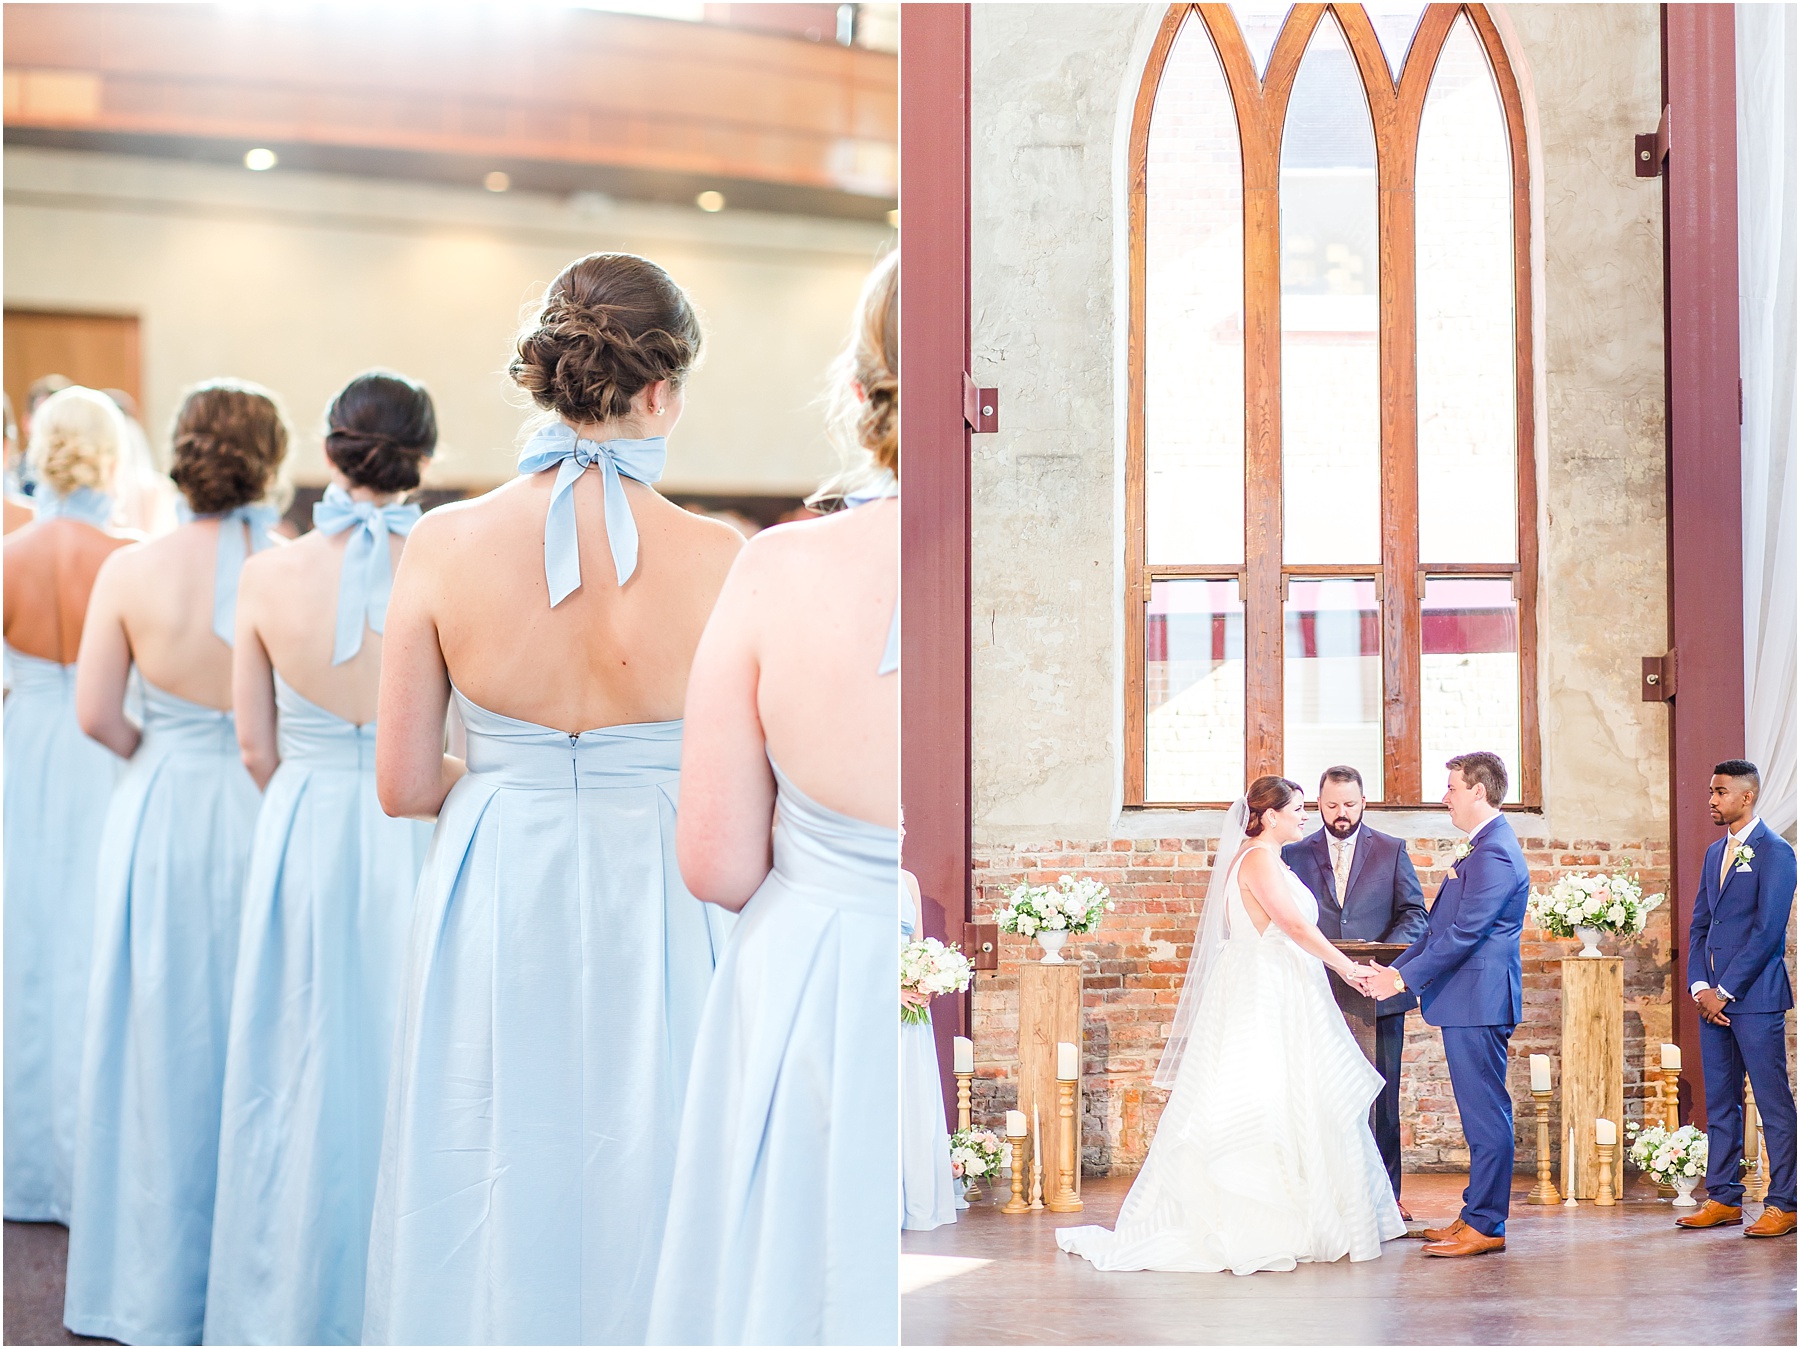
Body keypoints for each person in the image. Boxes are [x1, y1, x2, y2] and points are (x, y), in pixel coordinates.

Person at [363, 253, 742, 1345]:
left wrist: (504, 787)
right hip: (664, 887)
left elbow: (399, 784)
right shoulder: (721, 557)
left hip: (499, 876)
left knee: (489, 1135)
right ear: (663, 390)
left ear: (542, 374)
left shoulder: (438, 545)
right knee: (654, 1139)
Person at [647, 251, 900, 1344]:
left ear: (860, 387)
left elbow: (716, 863)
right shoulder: (1060, 573)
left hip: (815, 979)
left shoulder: (771, 571)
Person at [204, 372, 440, 1345]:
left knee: (301, 1061)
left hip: (303, 824)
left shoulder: (266, 570)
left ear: (331, 452)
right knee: (410, 1054)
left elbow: (253, 745)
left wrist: (310, 798)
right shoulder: (444, 558)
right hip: (415, 823)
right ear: (421, 454)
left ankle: (288, 1304)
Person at [66, 379, 287, 1343]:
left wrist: (158, 759)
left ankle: (149, 1285)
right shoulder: (294, 570)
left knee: (162, 1030)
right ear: (272, 463)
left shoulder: (129, 570)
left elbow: (95, 716)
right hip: (264, 811)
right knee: (264, 1034)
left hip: (162, 810)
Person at [1056, 776, 1405, 1275]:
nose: (1304, 818)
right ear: (1270, 816)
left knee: (1293, 1096)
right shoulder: (1260, 859)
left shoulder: (1264, 857)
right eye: (1298, 809)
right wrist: (1347, 967)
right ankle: (1260, 1220)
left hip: (1279, 984)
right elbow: (1295, 926)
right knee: (1261, 1094)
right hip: (1265, 989)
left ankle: (1304, 1211)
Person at [3, 387, 133, 1223]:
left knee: (26, 940)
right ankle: (99, 1161)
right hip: (106, 749)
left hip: (26, 750)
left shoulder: (6, 554)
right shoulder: (129, 556)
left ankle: (21, 1163)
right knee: (97, 941)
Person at [1371, 751, 1529, 1258]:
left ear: (1478, 791)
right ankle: (1474, 1215)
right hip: (1466, 999)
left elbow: (1465, 934)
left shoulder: (1495, 852)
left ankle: (1487, 1226)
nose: (1446, 797)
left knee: (1486, 1115)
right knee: (1478, 1114)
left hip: (1480, 1001)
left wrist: (1402, 981)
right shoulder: (1480, 848)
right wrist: (1396, 971)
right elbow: (1440, 928)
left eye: (1452, 788)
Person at [1282, 765, 1427, 1216]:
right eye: (1331, 805)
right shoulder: (1293, 853)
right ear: (1318, 804)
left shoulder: (1391, 849)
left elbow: (1414, 913)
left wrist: (1381, 959)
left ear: (1364, 802)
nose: (1340, 814)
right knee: (1318, 1094)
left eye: (1349, 804)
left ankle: (1388, 1197)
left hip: (1378, 992)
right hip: (1318, 990)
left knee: (1382, 1097)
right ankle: (1324, 1194)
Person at [1674, 759, 1795, 1237]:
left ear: (1746, 797)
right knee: (1720, 1102)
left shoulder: (1777, 852)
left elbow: (1768, 933)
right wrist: (1700, 987)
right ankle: (1723, 1197)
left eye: (1720, 792)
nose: (1711, 799)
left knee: (1772, 1101)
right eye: (1710, 790)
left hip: (1755, 999)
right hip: (1713, 1003)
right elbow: (1702, 924)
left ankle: (1783, 1203)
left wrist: (1725, 991)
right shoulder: (1712, 854)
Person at [901, 869, 958, 1231]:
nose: (901, 832)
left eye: (904, 824)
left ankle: (918, 1201)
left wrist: (926, 978)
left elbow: (918, 947)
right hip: (870, 1001)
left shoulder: (908, 881)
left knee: (915, 1099)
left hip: (911, 1009)